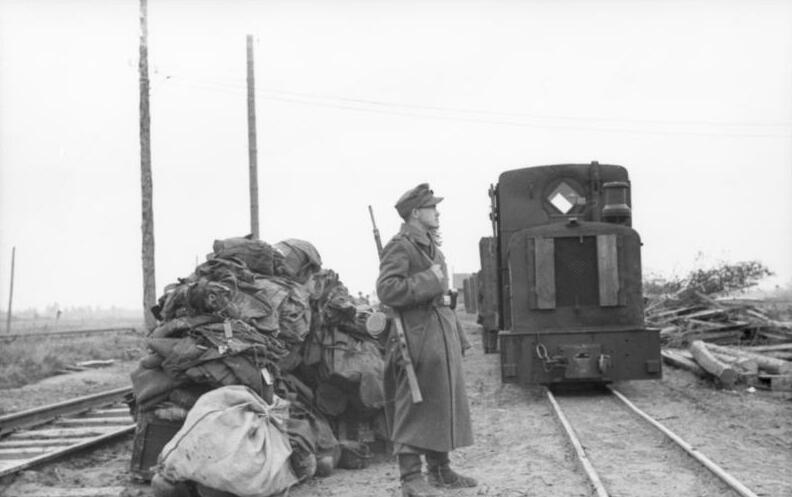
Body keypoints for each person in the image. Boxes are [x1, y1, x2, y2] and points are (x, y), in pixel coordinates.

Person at [376, 183, 476, 497]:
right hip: (416, 336)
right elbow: (387, 290)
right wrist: (429, 280)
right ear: (416, 213)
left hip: (439, 331)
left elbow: (440, 292)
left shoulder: (431, 245)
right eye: (432, 208)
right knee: (414, 404)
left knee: (441, 400)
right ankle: (410, 480)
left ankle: (440, 470)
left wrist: (456, 330)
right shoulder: (401, 246)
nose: (438, 212)